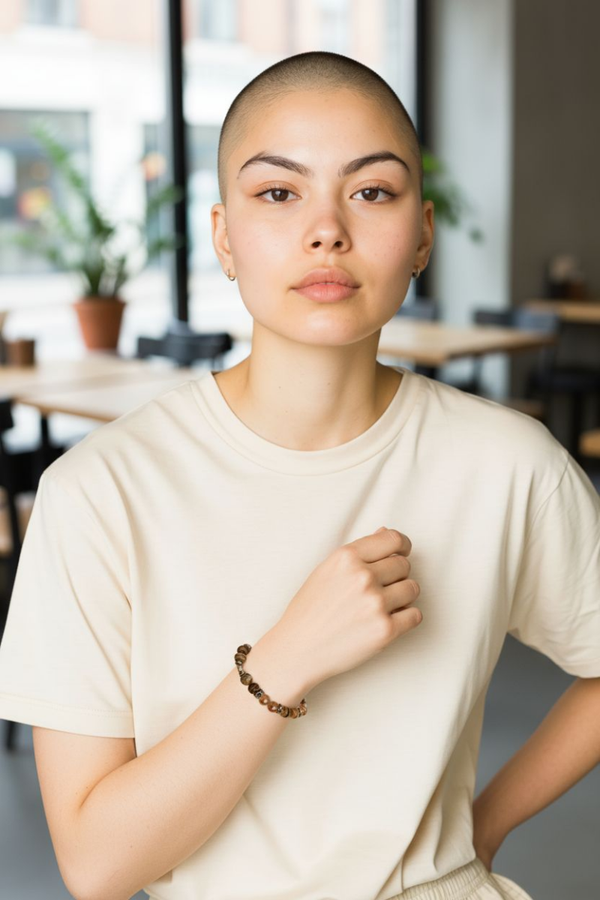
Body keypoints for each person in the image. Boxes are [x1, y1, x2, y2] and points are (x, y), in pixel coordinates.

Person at [0, 50, 599, 900]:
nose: (328, 230)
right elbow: (98, 866)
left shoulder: (506, 463)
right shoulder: (98, 493)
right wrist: (285, 659)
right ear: (223, 237)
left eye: (372, 191)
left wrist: (483, 824)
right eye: (279, 193)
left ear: (423, 232)